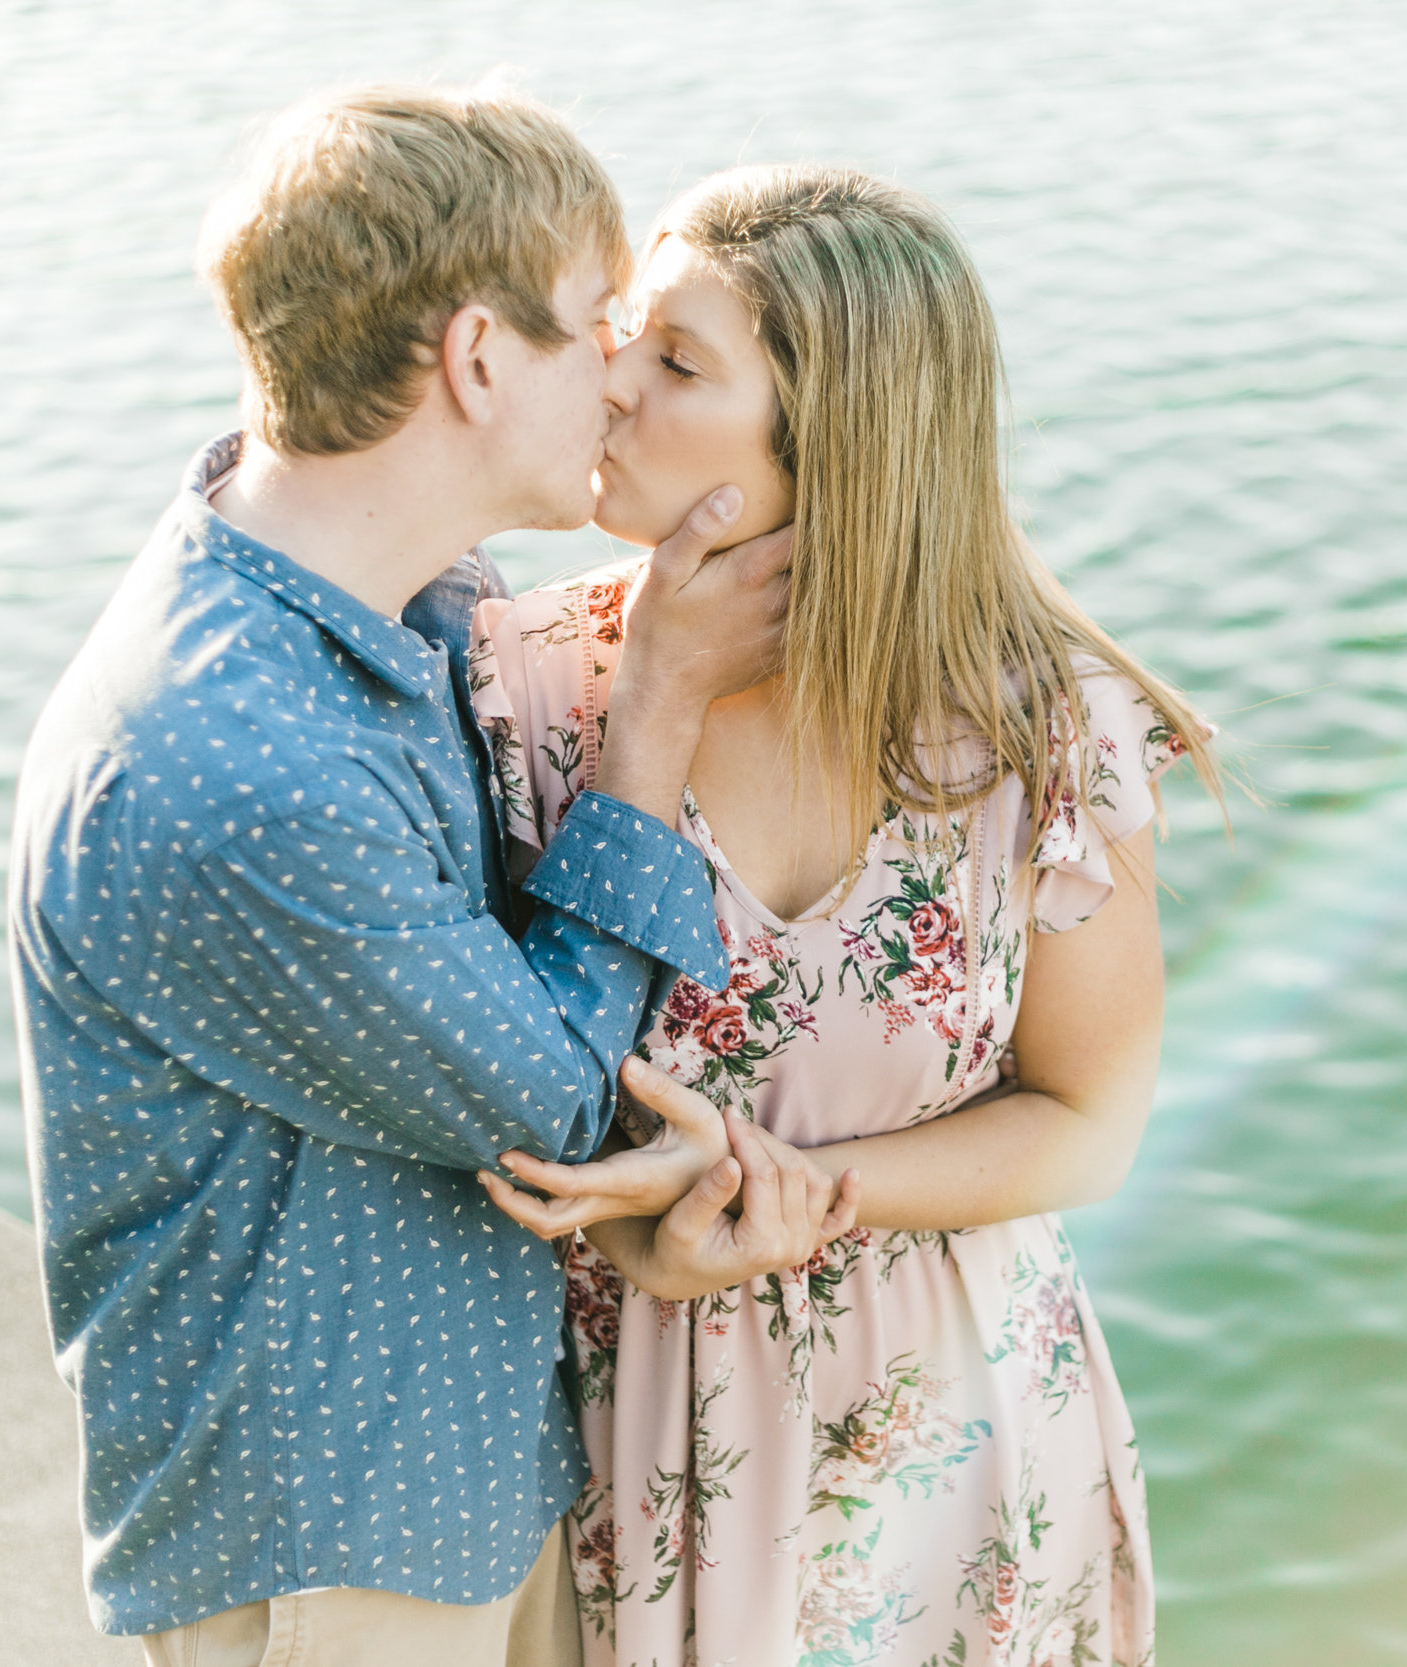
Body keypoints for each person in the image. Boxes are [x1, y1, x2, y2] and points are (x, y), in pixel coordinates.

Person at [7, 86, 852, 1666]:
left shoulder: (403, 600)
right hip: (330, 1537)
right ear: (476, 358)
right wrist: (658, 704)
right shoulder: (235, 766)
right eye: (600, 324)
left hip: (442, 1480)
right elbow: (547, 1097)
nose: (622, 372)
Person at [473, 165, 1220, 1667]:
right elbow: (488, 1102)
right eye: (626, 335)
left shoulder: (1043, 732)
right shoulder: (520, 693)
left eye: (678, 363)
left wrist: (804, 1194)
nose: (608, 378)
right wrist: (652, 1245)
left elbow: (1089, 1122)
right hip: (646, 1441)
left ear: (839, 443)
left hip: (963, 1445)